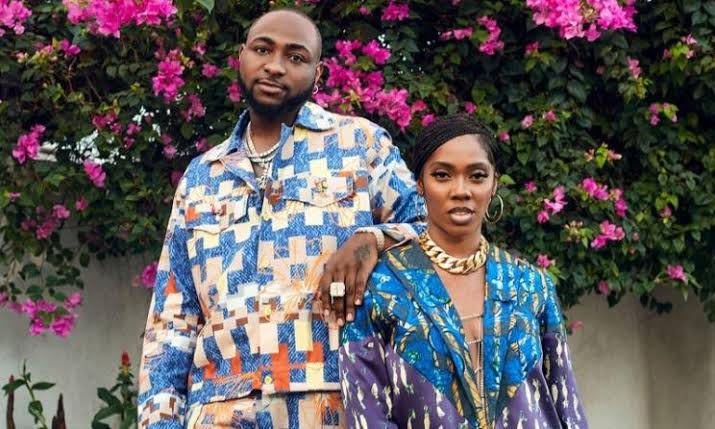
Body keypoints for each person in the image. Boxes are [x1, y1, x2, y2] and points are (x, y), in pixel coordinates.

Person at [137, 8, 424, 428]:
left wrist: (372, 240)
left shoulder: (360, 145)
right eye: (262, 49)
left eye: (295, 56)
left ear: (317, 73)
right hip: (217, 409)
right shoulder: (202, 175)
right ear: (241, 56)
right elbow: (171, 320)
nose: (274, 66)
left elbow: (431, 235)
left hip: (330, 405)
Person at [340, 115, 588, 429]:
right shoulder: (382, 289)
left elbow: (567, 404)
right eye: (442, 175)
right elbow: (366, 415)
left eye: (477, 176)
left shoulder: (530, 285)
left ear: (494, 184)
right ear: (420, 184)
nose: (461, 190)